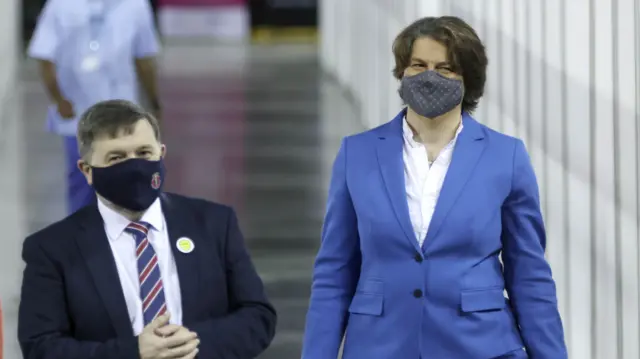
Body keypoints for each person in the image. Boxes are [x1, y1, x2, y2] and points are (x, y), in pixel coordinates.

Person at [302, 16, 567, 359]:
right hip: (380, 346)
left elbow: (529, 276)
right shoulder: (358, 153)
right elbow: (334, 272)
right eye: (418, 65)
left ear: (467, 80)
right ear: (402, 72)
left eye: (445, 69)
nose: (430, 77)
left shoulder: (506, 157)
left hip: (480, 347)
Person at [18, 100, 277, 359]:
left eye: (144, 153)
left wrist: (192, 345)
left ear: (161, 155)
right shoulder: (52, 249)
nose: (134, 167)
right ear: (87, 171)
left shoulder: (215, 224)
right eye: (116, 158)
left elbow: (257, 317)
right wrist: (133, 353)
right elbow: (41, 347)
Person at [28, 0, 162, 215]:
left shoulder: (60, 4)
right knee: (120, 181)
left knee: (84, 180)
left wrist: (59, 100)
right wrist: (154, 104)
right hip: (114, 117)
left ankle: (83, 238)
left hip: (83, 115)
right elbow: (144, 61)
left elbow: (44, 57)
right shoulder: (135, 5)